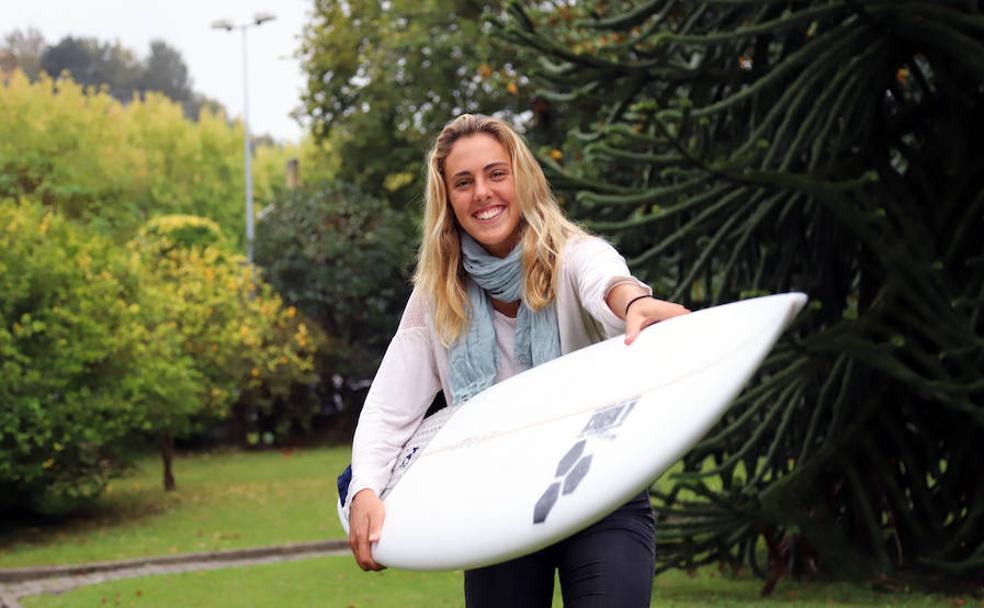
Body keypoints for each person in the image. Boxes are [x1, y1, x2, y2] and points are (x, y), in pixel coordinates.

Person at [344, 113, 690, 607]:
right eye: (464, 182)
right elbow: (387, 410)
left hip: (601, 492)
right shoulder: (438, 295)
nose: (482, 192)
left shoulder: (572, 256)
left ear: (520, 179)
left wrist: (633, 303)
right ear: (448, 200)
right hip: (497, 506)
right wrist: (365, 492)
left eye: (496, 173)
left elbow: (605, 282)